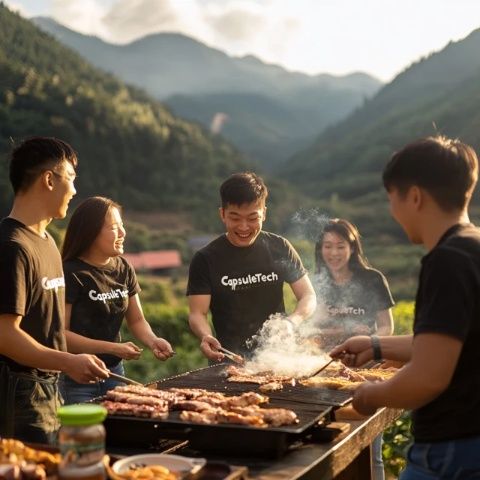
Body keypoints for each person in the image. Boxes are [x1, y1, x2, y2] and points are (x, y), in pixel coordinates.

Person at [330, 136, 480, 479]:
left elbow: (428, 377)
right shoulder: (472, 246)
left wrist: (368, 395)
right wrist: (376, 345)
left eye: (391, 199)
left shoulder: (447, 260)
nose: (391, 211)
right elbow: (446, 345)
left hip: (450, 452)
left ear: (414, 196)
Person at [0, 137, 109, 444]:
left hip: (49, 387)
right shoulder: (12, 247)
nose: (74, 191)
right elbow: (4, 334)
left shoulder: (47, 242)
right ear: (49, 179)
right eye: (71, 180)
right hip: (18, 393)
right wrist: (68, 361)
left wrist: (67, 362)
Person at [187, 172, 317, 361]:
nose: (244, 226)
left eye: (252, 218)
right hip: (229, 359)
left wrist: (292, 321)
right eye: (235, 218)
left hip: (279, 356)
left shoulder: (279, 247)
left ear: (264, 213)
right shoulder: (205, 258)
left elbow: (308, 295)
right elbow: (197, 313)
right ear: (222, 214)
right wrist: (205, 336)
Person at [60, 196, 175, 404]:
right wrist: (113, 348)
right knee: (85, 434)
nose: (122, 233)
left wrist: (152, 341)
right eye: (114, 227)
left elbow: (137, 321)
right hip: (77, 378)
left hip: (114, 372)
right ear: (91, 232)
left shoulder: (123, 268)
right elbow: (62, 335)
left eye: (122, 225)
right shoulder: (70, 273)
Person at [310, 218, 394, 480]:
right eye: (327, 246)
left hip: (365, 371)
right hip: (325, 371)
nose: (333, 253)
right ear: (320, 250)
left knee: (371, 450)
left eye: (340, 246)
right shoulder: (316, 283)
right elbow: (312, 330)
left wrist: (369, 339)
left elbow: (386, 327)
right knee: (328, 447)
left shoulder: (372, 279)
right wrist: (335, 333)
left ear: (353, 248)